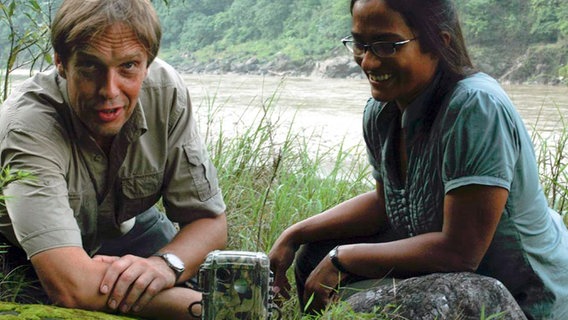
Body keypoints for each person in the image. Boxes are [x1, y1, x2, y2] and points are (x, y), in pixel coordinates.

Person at [268, 0, 568, 319]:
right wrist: (295, 233)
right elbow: (388, 204)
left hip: (525, 297)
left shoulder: (476, 107)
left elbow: (461, 251)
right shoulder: (382, 111)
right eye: (360, 44)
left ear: (440, 41)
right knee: (314, 253)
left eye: (386, 46)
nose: (368, 61)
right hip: (465, 278)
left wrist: (342, 259)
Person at [0, 0, 227, 319]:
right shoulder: (28, 124)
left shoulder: (165, 90)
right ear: (61, 63)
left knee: (223, 275)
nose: (109, 90)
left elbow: (210, 222)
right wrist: (205, 310)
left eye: (128, 67)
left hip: (124, 229)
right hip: (26, 252)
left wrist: (163, 266)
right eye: (90, 66)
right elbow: (71, 287)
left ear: (147, 64)